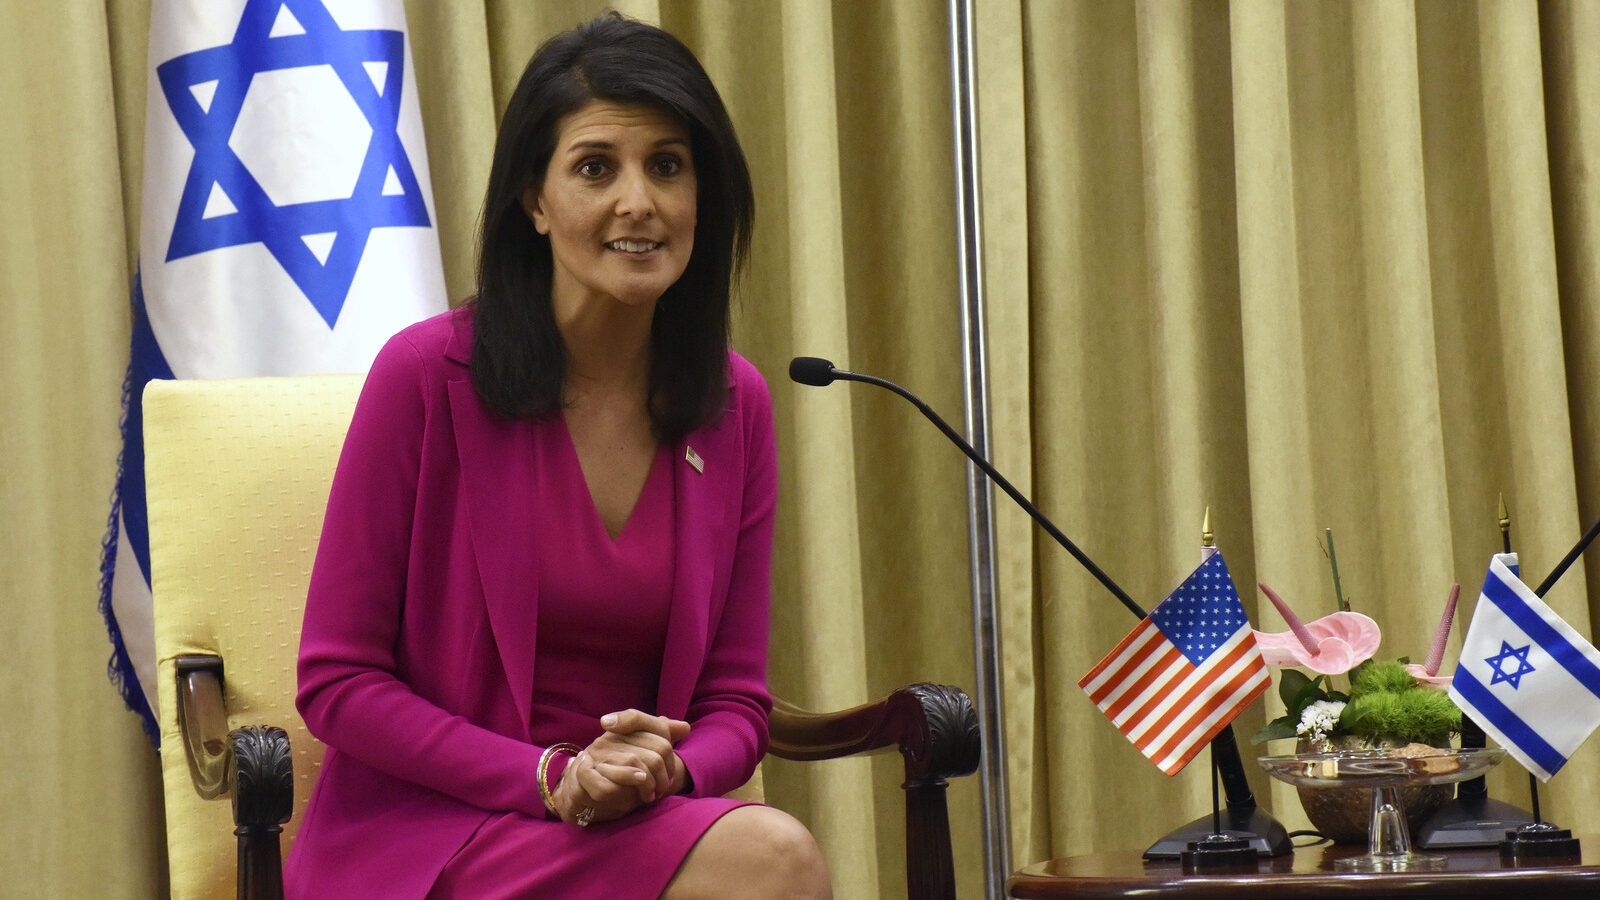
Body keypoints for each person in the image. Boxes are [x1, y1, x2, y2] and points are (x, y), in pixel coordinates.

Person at [284, 13, 831, 898]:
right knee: (773, 859)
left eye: (667, 165)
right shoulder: (426, 376)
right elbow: (337, 682)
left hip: (628, 824)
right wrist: (550, 775)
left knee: (762, 854)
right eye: (594, 167)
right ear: (533, 202)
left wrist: (664, 773)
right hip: (429, 831)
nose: (638, 202)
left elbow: (736, 704)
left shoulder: (735, 406)